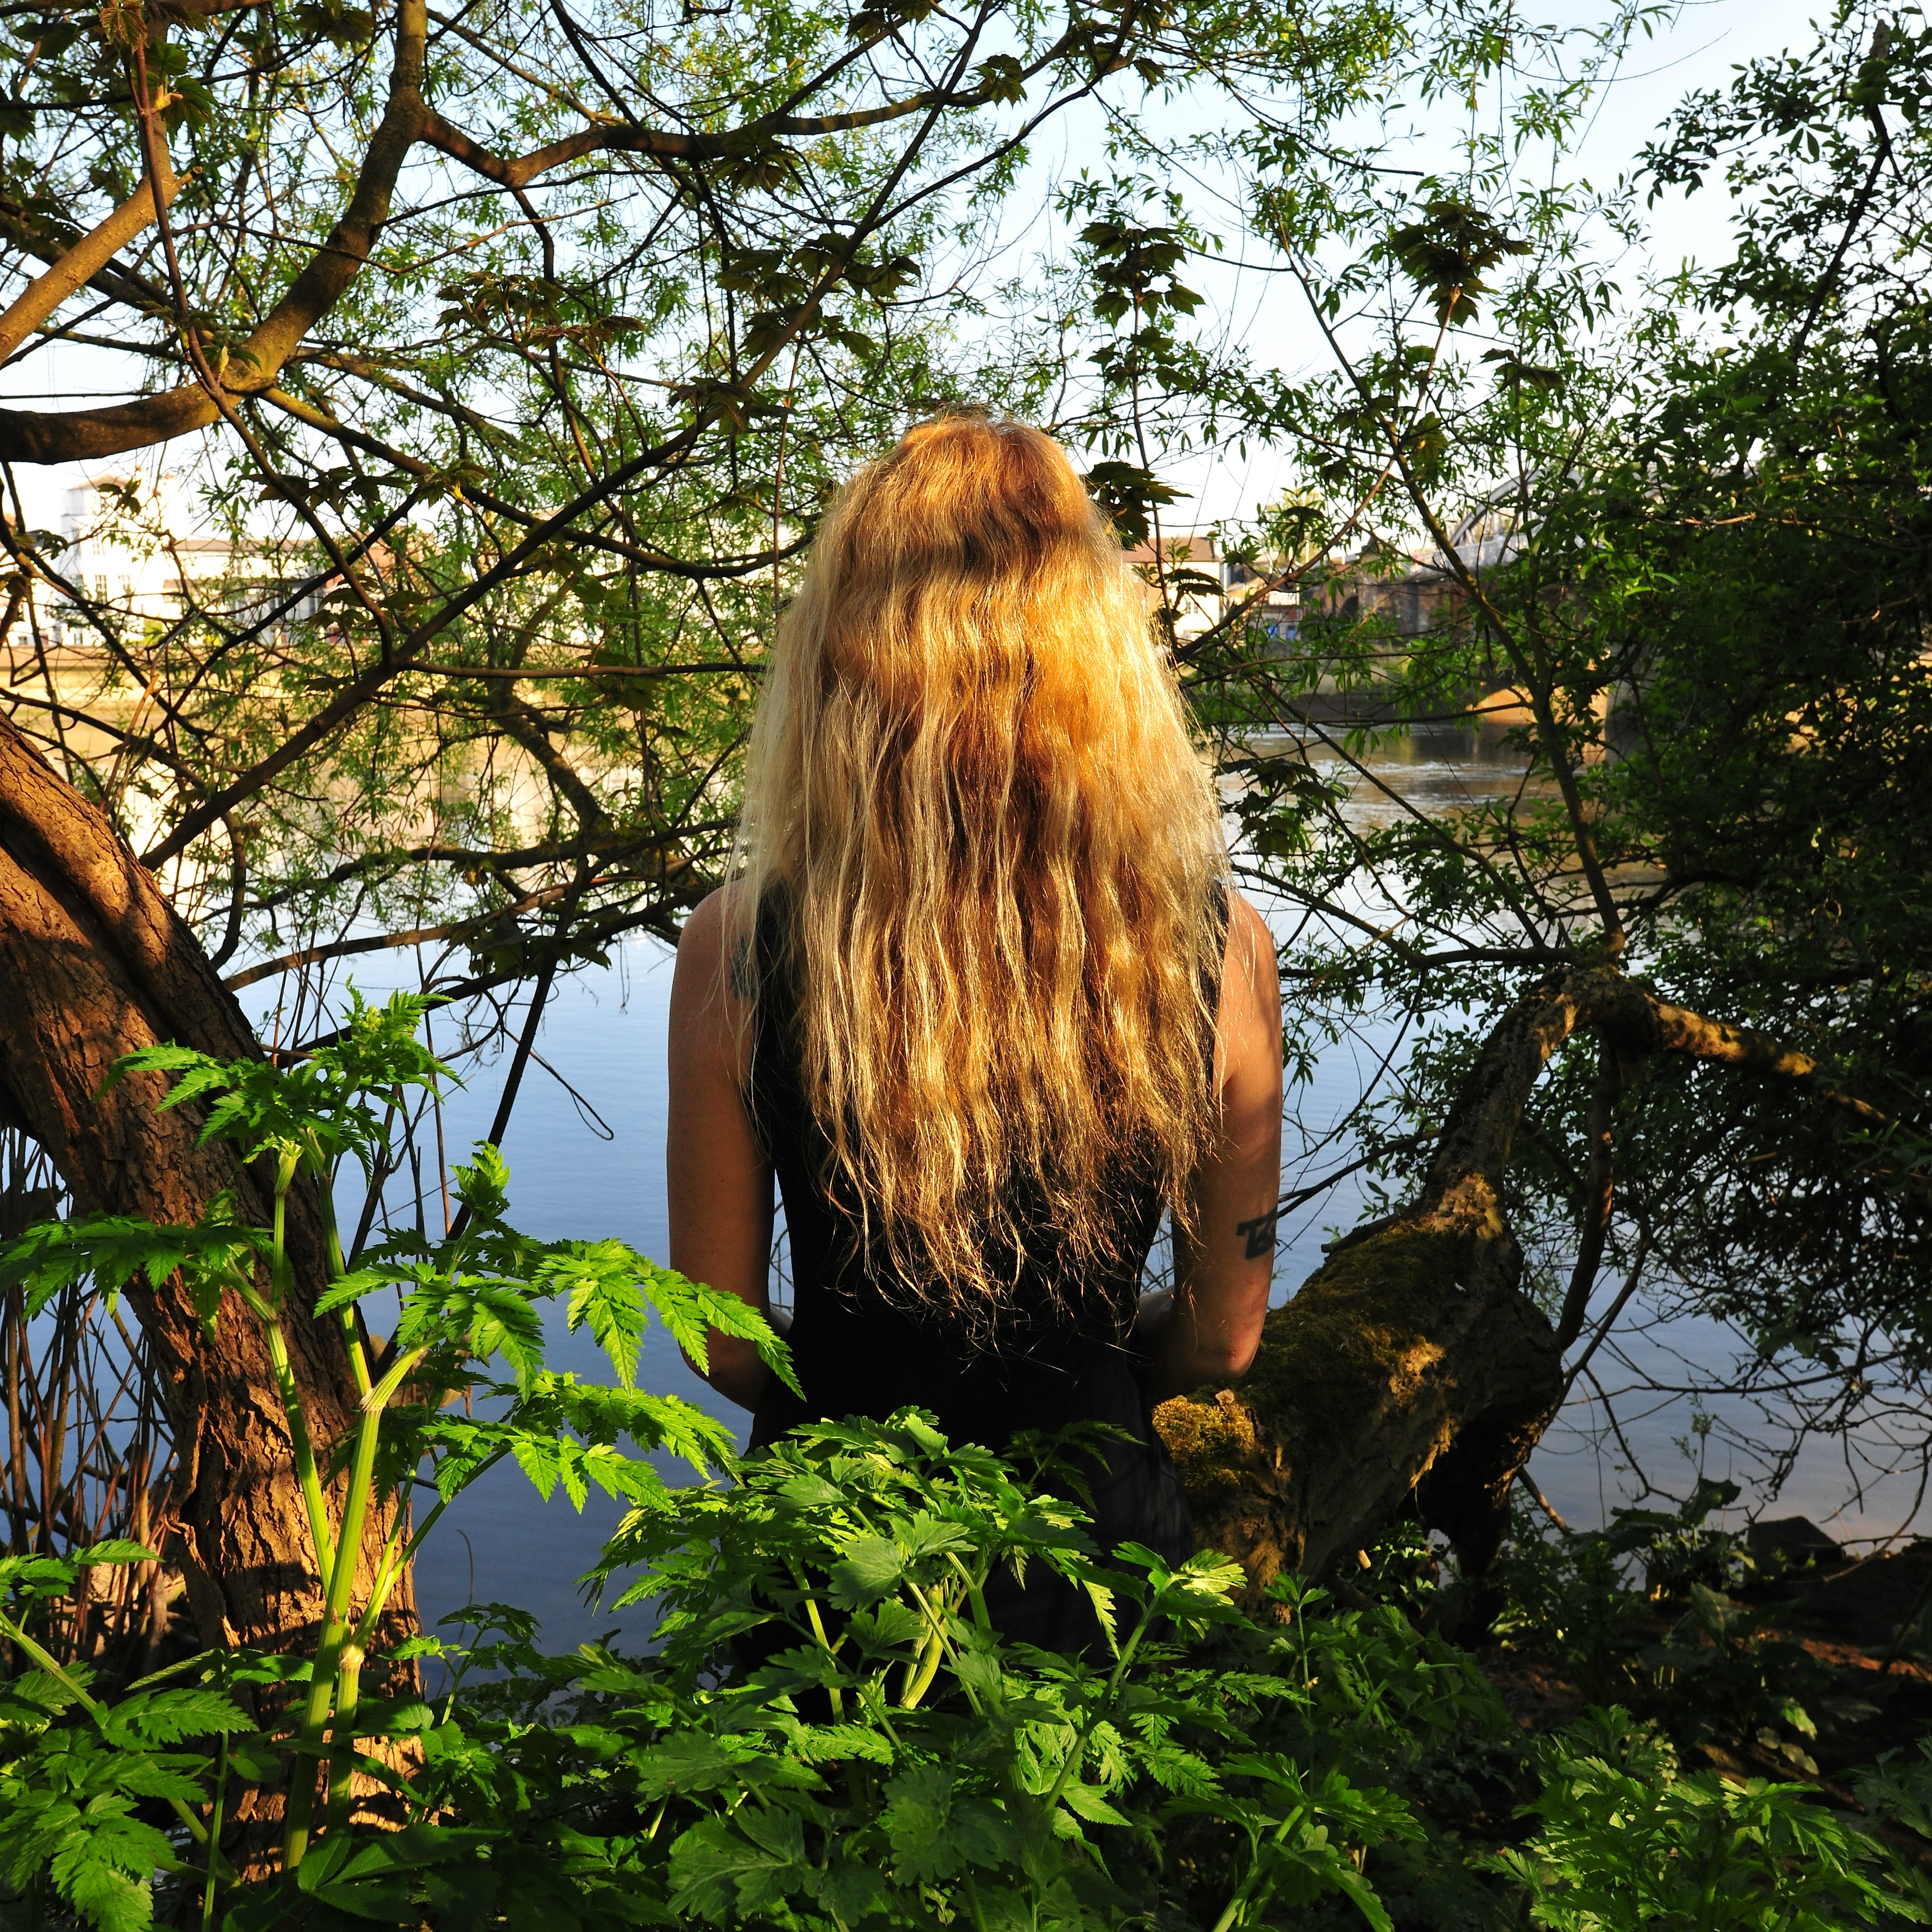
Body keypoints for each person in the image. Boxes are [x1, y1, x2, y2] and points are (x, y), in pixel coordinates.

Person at [666, 414, 1282, 1647]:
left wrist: (849, 1388)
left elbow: (722, 1346)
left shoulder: (736, 946)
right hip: (1095, 1572)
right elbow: (1223, 1341)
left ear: (845, 656)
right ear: (1097, 656)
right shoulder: (1218, 947)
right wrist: (1105, 1374)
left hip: (832, 1577)